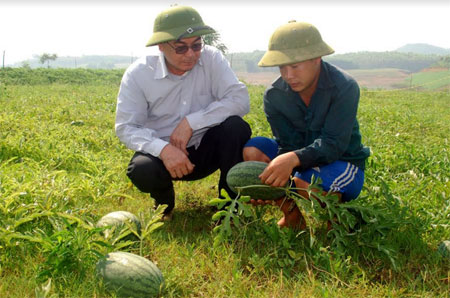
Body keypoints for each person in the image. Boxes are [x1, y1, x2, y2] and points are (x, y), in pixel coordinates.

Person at [115, 5, 251, 220]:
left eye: (196, 46)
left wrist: (192, 122)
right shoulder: (139, 74)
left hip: (206, 149)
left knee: (236, 128)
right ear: (161, 46)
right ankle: (164, 204)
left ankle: (229, 204)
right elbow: (127, 127)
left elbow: (239, 99)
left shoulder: (212, 59)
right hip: (165, 158)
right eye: (181, 48)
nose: (191, 54)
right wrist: (164, 150)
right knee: (141, 169)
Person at [243, 21, 370, 228]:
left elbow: (333, 144)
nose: (288, 75)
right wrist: (270, 184)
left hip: (343, 161)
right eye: (282, 67)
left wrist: (292, 161)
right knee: (253, 152)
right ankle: (292, 216)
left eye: (294, 66)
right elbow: (286, 144)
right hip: (301, 160)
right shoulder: (274, 95)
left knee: (306, 183)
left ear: (316, 59)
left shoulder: (344, 87)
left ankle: (338, 218)